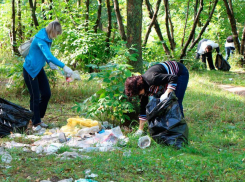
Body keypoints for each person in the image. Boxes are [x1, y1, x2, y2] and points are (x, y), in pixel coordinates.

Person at [23, 20, 73, 132]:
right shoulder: (40, 39)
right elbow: (49, 55)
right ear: (52, 31)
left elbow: (44, 55)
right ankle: (35, 122)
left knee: (46, 93)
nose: (56, 36)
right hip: (30, 70)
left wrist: (49, 63)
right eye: (56, 33)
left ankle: (37, 118)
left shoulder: (47, 38)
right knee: (35, 96)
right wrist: (64, 66)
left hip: (38, 69)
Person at [125, 61, 189, 136]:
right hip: (167, 78)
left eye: (137, 93)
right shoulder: (143, 89)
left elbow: (173, 78)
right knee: (160, 105)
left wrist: (167, 92)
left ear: (140, 87)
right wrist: (140, 130)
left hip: (179, 72)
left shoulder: (152, 78)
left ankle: (180, 131)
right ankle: (168, 128)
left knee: (176, 102)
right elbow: (143, 108)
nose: (138, 95)